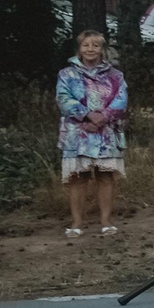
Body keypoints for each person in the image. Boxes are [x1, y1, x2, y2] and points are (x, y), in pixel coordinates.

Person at [56, 30, 128, 237]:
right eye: (86, 45)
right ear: (79, 48)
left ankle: (106, 222)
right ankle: (76, 223)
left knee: (106, 177)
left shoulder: (116, 75)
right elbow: (63, 99)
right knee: (78, 177)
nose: (90, 49)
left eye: (95, 45)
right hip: (77, 134)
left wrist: (101, 118)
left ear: (102, 50)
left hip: (107, 133)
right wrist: (87, 116)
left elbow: (121, 102)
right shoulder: (66, 74)